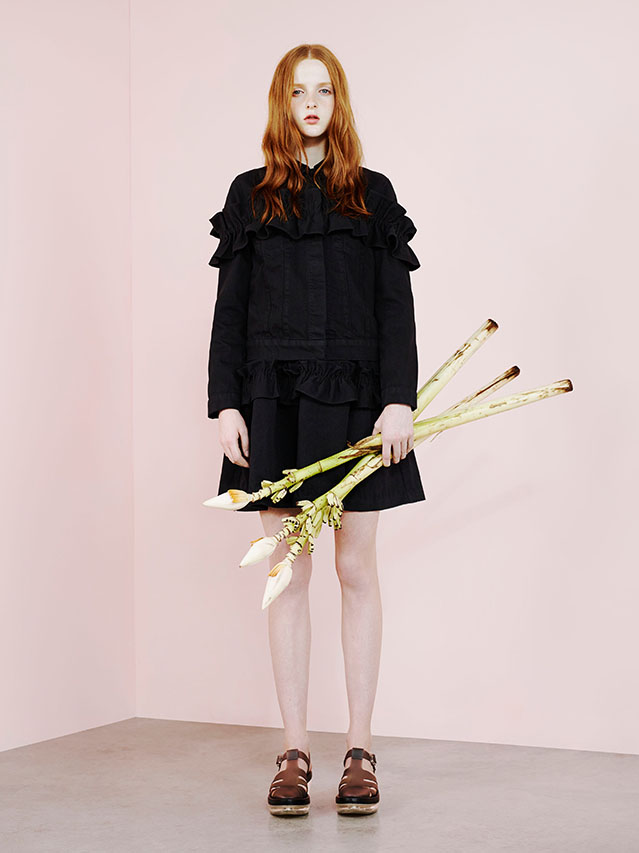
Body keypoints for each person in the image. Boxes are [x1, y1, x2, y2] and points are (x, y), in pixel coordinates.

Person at [206, 44, 425, 816]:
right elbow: (230, 311)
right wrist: (227, 403)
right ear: (281, 100)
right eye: (298, 90)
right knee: (287, 573)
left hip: (359, 403)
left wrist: (399, 400)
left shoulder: (372, 193)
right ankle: (294, 750)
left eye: (324, 90)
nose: (310, 102)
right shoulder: (249, 195)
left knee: (356, 568)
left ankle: (359, 749)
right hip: (274, 401)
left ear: (339, 101)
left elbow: (396, 309)